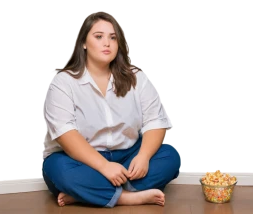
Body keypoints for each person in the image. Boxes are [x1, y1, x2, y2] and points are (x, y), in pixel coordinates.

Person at [41, 11, 181, 208]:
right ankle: (127, 196)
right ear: (83, 43)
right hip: (80, 159)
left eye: (113, 38)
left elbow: (155, 122)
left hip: (127, 154)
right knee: (61, 171)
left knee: (170, 157)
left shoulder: (137, 79)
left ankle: (89, 194)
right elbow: (65, 135)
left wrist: (143, 157)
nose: (107, 43)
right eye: (98, 36)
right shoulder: (63, 82)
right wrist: (104, 167)